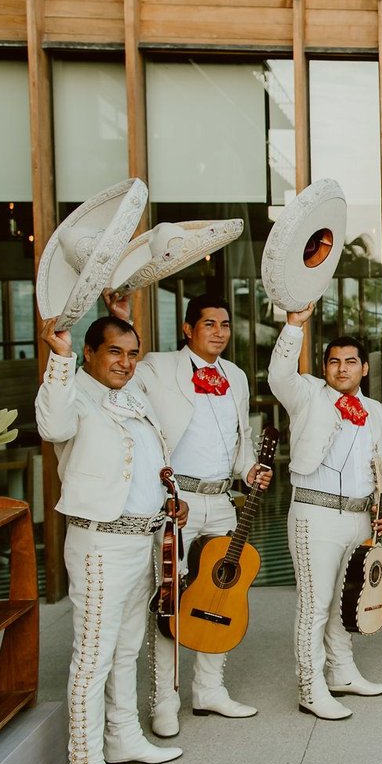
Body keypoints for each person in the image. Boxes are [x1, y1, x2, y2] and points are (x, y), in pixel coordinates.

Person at [37, 314, 187, 764]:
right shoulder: (72, 394)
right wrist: (56, 359)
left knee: (127, 648)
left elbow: (150, 459)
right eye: (114, 353)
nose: (124, 362)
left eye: (131, 353)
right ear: (89, 353)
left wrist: (172, 497)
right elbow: (51, 424)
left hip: (142, 540)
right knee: (93, 658)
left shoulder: (132, 396)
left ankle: (123, 736)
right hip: (100, 543)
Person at [105, 292, 271, 738]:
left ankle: (210, 689)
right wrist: (118, 319)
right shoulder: (158, 367)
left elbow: (240, 439)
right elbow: (119, 378)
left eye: (224, 324)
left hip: (223, 501)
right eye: (209, 324)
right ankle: (165, 699)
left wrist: (251, 468)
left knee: (224, 591)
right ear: (187, 329)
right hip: (177, 501)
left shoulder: (235, 376)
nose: (219, 332)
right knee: (172, 601)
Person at [270, 303, 382, 720]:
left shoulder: (377, 412)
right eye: (334, 362)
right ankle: (311, 687)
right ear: (325, 367)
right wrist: (294, 326)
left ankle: (342, 672)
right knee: (315, 602)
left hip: (361, 517)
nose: (341, 369)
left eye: (350, 362)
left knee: (348, 599)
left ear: (364, 368)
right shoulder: (306, 395)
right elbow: (279, 375)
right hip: (314, 513)